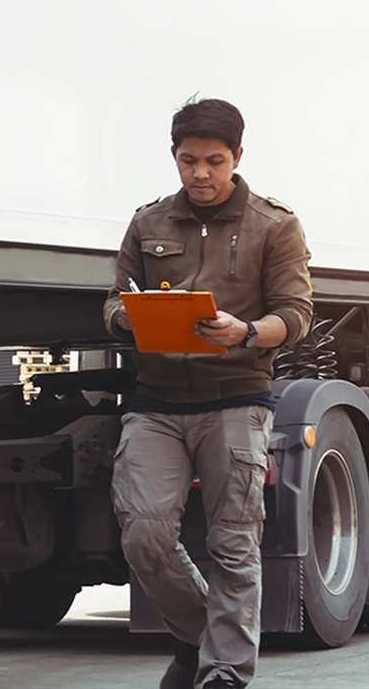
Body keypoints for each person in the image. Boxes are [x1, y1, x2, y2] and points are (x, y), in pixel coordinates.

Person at [103, 98, 313, 689]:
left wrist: (245, 331)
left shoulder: (275, 225)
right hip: (156, 400)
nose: (200, 173)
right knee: (143, 535)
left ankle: (224, 674)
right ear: (174, 156)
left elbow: (296, 314)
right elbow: (114, 299)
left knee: (233, 542)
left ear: (237, 156)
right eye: (188, 160)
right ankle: (201, 640)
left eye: (214, 161)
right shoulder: (148, 223)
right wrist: (129, 318)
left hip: (236, 396)